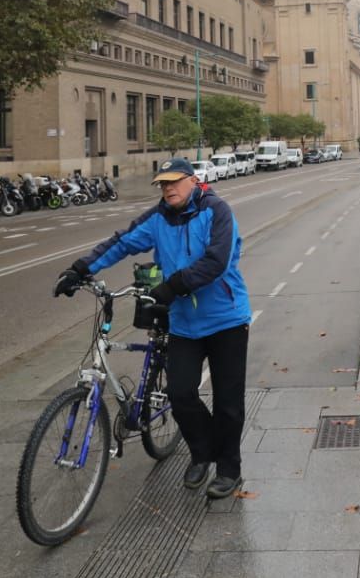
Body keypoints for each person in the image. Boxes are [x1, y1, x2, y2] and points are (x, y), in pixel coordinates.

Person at [52, 157, 252, 499]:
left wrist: (173, 286)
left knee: (228, 402)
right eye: (162, 184)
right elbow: (123, 241)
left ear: (193, 181)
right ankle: (202, 454)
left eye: (174, 182)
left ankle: (229, 470)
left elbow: (217, 262)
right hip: (185, 325)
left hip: (225, 320)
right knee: (180, 394)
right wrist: (80, 269)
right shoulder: (159, 217)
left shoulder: (217, 211)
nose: (168, 188)